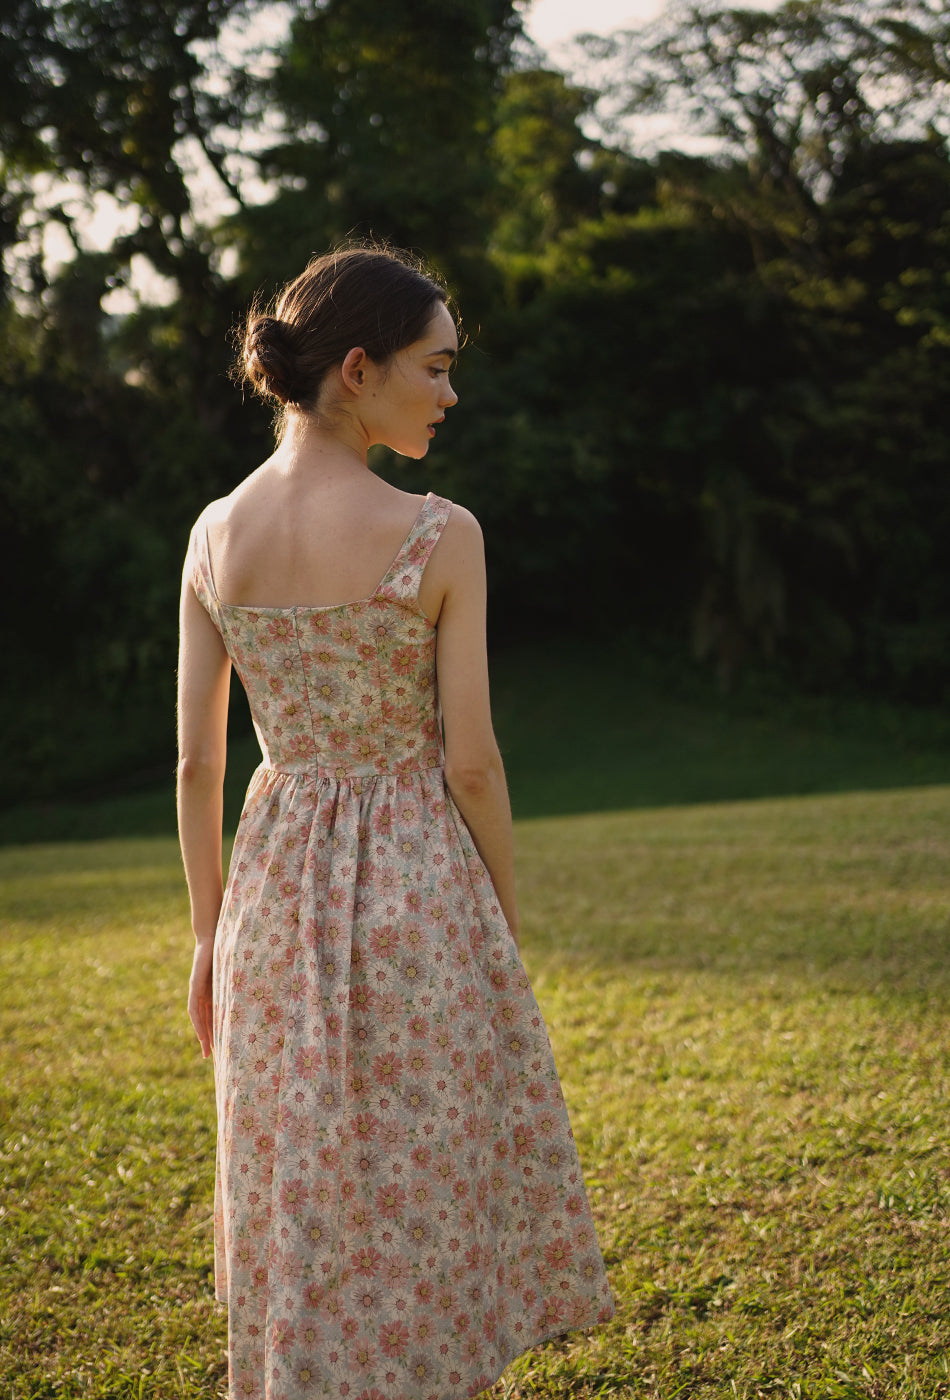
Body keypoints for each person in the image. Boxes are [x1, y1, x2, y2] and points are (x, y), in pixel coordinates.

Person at [177, 243, 613, 1400]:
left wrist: (206, 934)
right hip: (418, 882)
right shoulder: (438, 532)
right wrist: (500, 918)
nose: (450, 393)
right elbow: (470, 761)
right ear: (357, 370)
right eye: (435, 366)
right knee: (422, 1182)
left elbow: (194, 763)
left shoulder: (213, 533)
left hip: (269, 893)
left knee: (300, 1185)